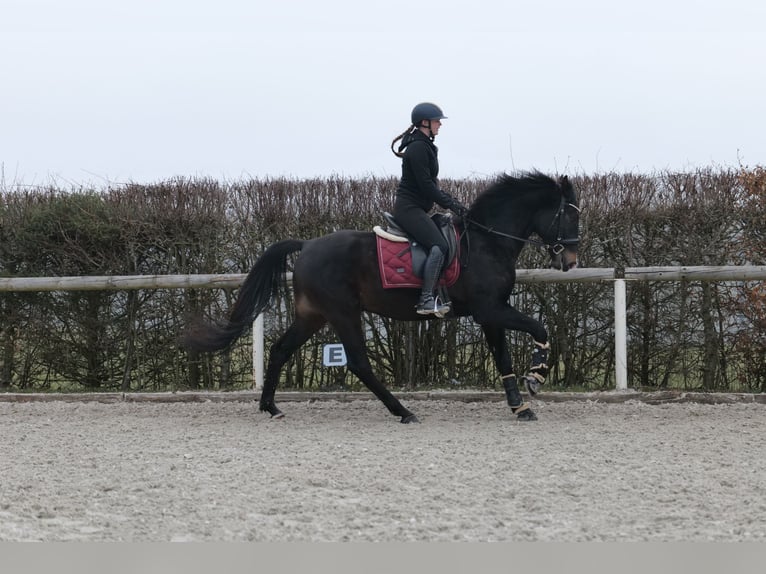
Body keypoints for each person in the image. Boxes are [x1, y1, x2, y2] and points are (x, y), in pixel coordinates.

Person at [391, 102, 468, 316]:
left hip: (418, 208)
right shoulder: (417, 148)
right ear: (424, 123)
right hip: (409, 209)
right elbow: (426, 186)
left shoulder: (423, 145)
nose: (439, 125)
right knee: (439, 246)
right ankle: (425, 299)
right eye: (436, 121)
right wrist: (451, 204)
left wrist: (451, 201)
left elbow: (430, 185)